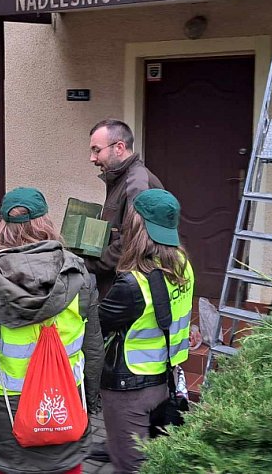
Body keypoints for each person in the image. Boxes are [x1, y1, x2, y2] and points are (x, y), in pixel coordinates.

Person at [0, 187, 104, 474]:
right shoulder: (79, 278)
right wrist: (88, 405)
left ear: (3, 228)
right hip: (65, 406)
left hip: (7, 417)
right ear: (46, 223)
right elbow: (93, 351)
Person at [98, 189, 194, 474]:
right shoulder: (183, 267)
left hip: (129, 389)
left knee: (131, 466)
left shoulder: (132, 283)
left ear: (138, 227)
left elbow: (98, 324)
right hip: (166, 380)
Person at [85, 119, 163, 298]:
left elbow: (131, 242)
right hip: (119, 283)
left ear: (119, 147)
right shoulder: (120, 177)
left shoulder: (136, 184)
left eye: (97, 150)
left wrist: (88, 263)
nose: (92, 158)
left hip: (128, 290)